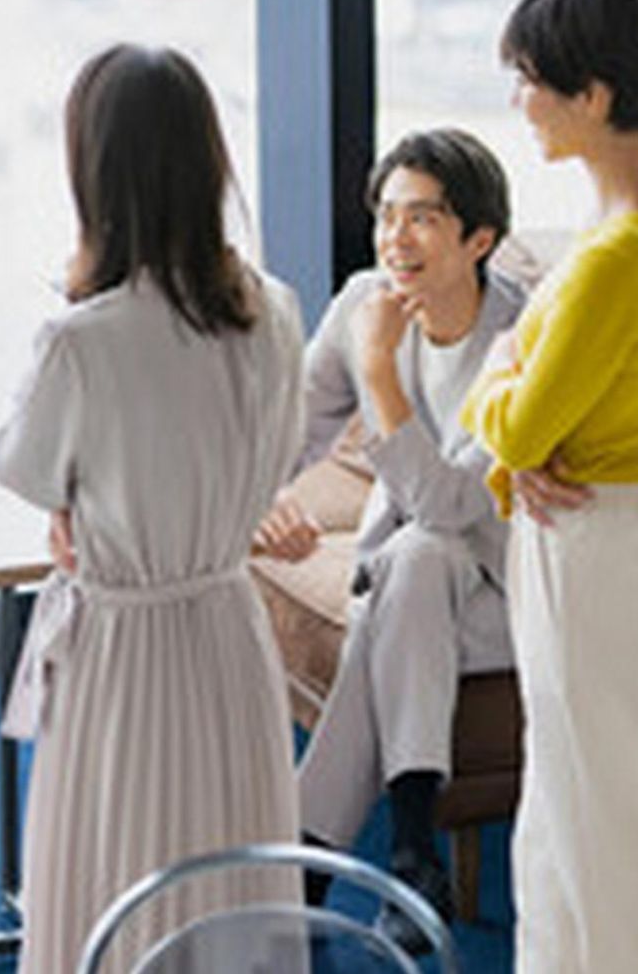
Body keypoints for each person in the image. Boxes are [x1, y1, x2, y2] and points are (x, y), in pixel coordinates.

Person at [0, 43, 306, 974]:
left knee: (114, 867)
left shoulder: (80, 339)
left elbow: (23, 465)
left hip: (124, 650)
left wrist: (81, 503)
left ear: (94, 172)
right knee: (229, 864)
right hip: (229, 629)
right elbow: (277, 453)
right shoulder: (274, 310)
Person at [464, 0, 638, 973]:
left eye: (530, 79)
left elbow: (519, 426)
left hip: (596, 548)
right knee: (576, 812)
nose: (520, 100)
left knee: (598, 832)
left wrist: (498, 368)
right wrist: (518, 421)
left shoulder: (617, 254)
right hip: (637, 526)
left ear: (593, 94)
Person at [253, 128, 522, 947]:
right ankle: (411, 855)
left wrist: (378, 371)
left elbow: (450, 506)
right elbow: (293, 425)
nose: (395, 239)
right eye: (387, 216)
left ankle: (308, 870)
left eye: (423, 219)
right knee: (410, 571)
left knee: (416, 559)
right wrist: (262, 498)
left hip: (510, 589)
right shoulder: (364, 302)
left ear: (479, 239)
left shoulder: (521, 339)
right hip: (420, 586)